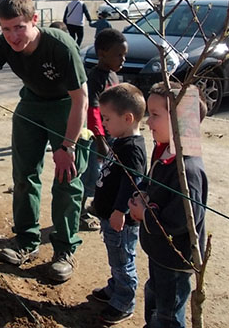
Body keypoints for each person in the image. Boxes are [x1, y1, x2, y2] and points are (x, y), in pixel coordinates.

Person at [0, 0, 90, 283]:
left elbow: (82, 100)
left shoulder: (60, 46)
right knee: (24, 175)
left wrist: (68, 145)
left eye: (19, 27)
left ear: (33, 20)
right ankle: (26, 241)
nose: (12, 36)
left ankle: (64, 250)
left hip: (66, 107)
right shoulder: (2, 45)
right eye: (5, 28)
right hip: (31, 104)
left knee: (67, 177)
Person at [128, 82, 208, 328]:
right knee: (154, 293)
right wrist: (143, 194)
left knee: (169, 312)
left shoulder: (188, 171)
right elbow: (154, 186)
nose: (148, 123)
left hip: (175, 258)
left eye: (154, 115)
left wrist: (144, 215)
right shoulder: (164, 152)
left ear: (179, 120)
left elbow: (183, 220)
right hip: (160, 252)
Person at [90, 83, 147, 325]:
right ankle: (115, 287)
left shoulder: (132, 148)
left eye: (107, 119)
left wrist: (119, 210)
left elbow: (132, 183)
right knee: (116, 256)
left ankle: (124, 301)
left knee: (123, 259)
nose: (104, 124)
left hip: (120, 219)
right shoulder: (120, 140)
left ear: (127, 118)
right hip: (110, 216)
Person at [81, 28, 128, 232]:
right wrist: (100, 140)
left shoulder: (113, 76)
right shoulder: (95, 79)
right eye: (119, 55)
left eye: (124, 55)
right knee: (90, 177)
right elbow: (92, 112)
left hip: (112, 138)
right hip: (96, 140)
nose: (123, 59)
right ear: (102, 53)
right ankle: (80, 212)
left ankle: (95, 206)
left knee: (105, 176)